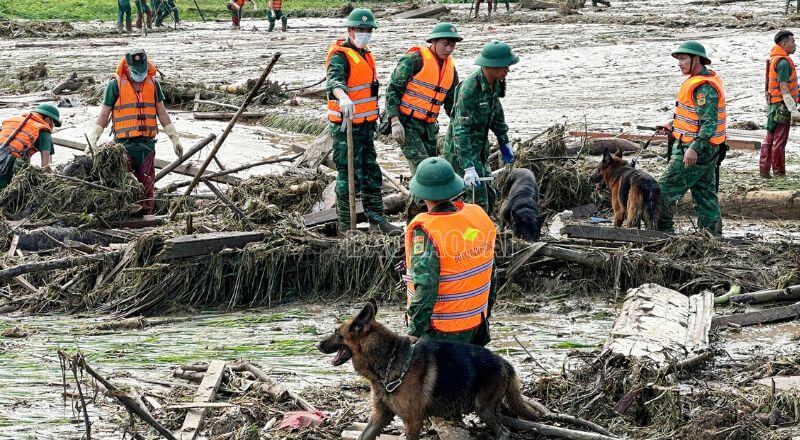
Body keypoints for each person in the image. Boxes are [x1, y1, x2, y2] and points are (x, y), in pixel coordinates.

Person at [404, 157, 497, 346]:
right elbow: (490, 272)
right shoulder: (477, 216)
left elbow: (427, 285)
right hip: (476, 323)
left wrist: (414, 330)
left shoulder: (427, 231)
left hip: (443, 332)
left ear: (422, 193)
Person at [325, 8, 400, 236]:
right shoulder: (340, 56)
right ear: (350, 30)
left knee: (372, 173)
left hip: (366, 127)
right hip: (346, 127)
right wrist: (343, 96)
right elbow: (334, 82)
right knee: (349, 177)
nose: (365, 33)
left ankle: (377, 220)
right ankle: (347, 227)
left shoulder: (365, 54)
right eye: (360, 29)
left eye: (368, 30)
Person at [87, 49, 184, 215]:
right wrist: (93, 138)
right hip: (123, 146)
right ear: (128, 67)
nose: (141, 75)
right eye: (137, 72)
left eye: (143, 70)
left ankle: (146, 216)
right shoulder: (114, 85)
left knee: (147, 184)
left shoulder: (153, 84)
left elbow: (162, 112)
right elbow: (104, 114)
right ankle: (125, 215)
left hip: (146, 146)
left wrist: (175, 138)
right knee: (124, 184)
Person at [656, 41, 726, 235]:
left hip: (694, 150)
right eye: (678, 59)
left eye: (683, 58)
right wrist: (672, 124)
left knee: (662, 192)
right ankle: (712, 238)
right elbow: (695, 116)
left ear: (697, 60)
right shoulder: (700, 80)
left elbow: (709, 123)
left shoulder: (703, 87)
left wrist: (694, 148)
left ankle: (662, 235)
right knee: (705, 195)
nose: (679, 63)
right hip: (708, 150)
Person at [442, 40, 517, 215]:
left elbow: (496, 112)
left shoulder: (496, 81)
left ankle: (485, 231)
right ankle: (471, 237)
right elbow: (460, 131)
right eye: (505, 66)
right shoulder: (469, 89)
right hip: (462, 152)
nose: (508, 70)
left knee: (489, 194)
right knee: (475, 199)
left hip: (480, 149)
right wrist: (468, 167)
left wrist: (503, 141)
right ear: (492, 66)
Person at [385, 22, 461, 175]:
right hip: (407, 124)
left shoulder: (450, 69)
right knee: (424, 172)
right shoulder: (413, 60)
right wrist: (394, 121)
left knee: (432, 168)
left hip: (430, 128)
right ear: (433, 41)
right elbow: (393, 90)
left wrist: (463, 124)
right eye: (445, 44)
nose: (448, 49)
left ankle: (424, 198)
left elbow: (452, 104)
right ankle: (420, 199)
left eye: (452, 46)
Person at [761, 30, 798, 179]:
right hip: (782, 107)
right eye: (793, 42)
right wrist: (793, 109)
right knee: (779, 141)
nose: (795, 45)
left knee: (769, 138)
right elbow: (784, 87)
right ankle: (779, 173)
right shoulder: (783, 63)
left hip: (773, 106)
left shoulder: (774, 59)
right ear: (784, 44)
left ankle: (764, 171)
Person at [0, 104, 61, 190]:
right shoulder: (43, 131)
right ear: (48, 120)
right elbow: (45, 167)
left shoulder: (13, 120)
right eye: (53, 124)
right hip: (8, 165)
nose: (52, 128)